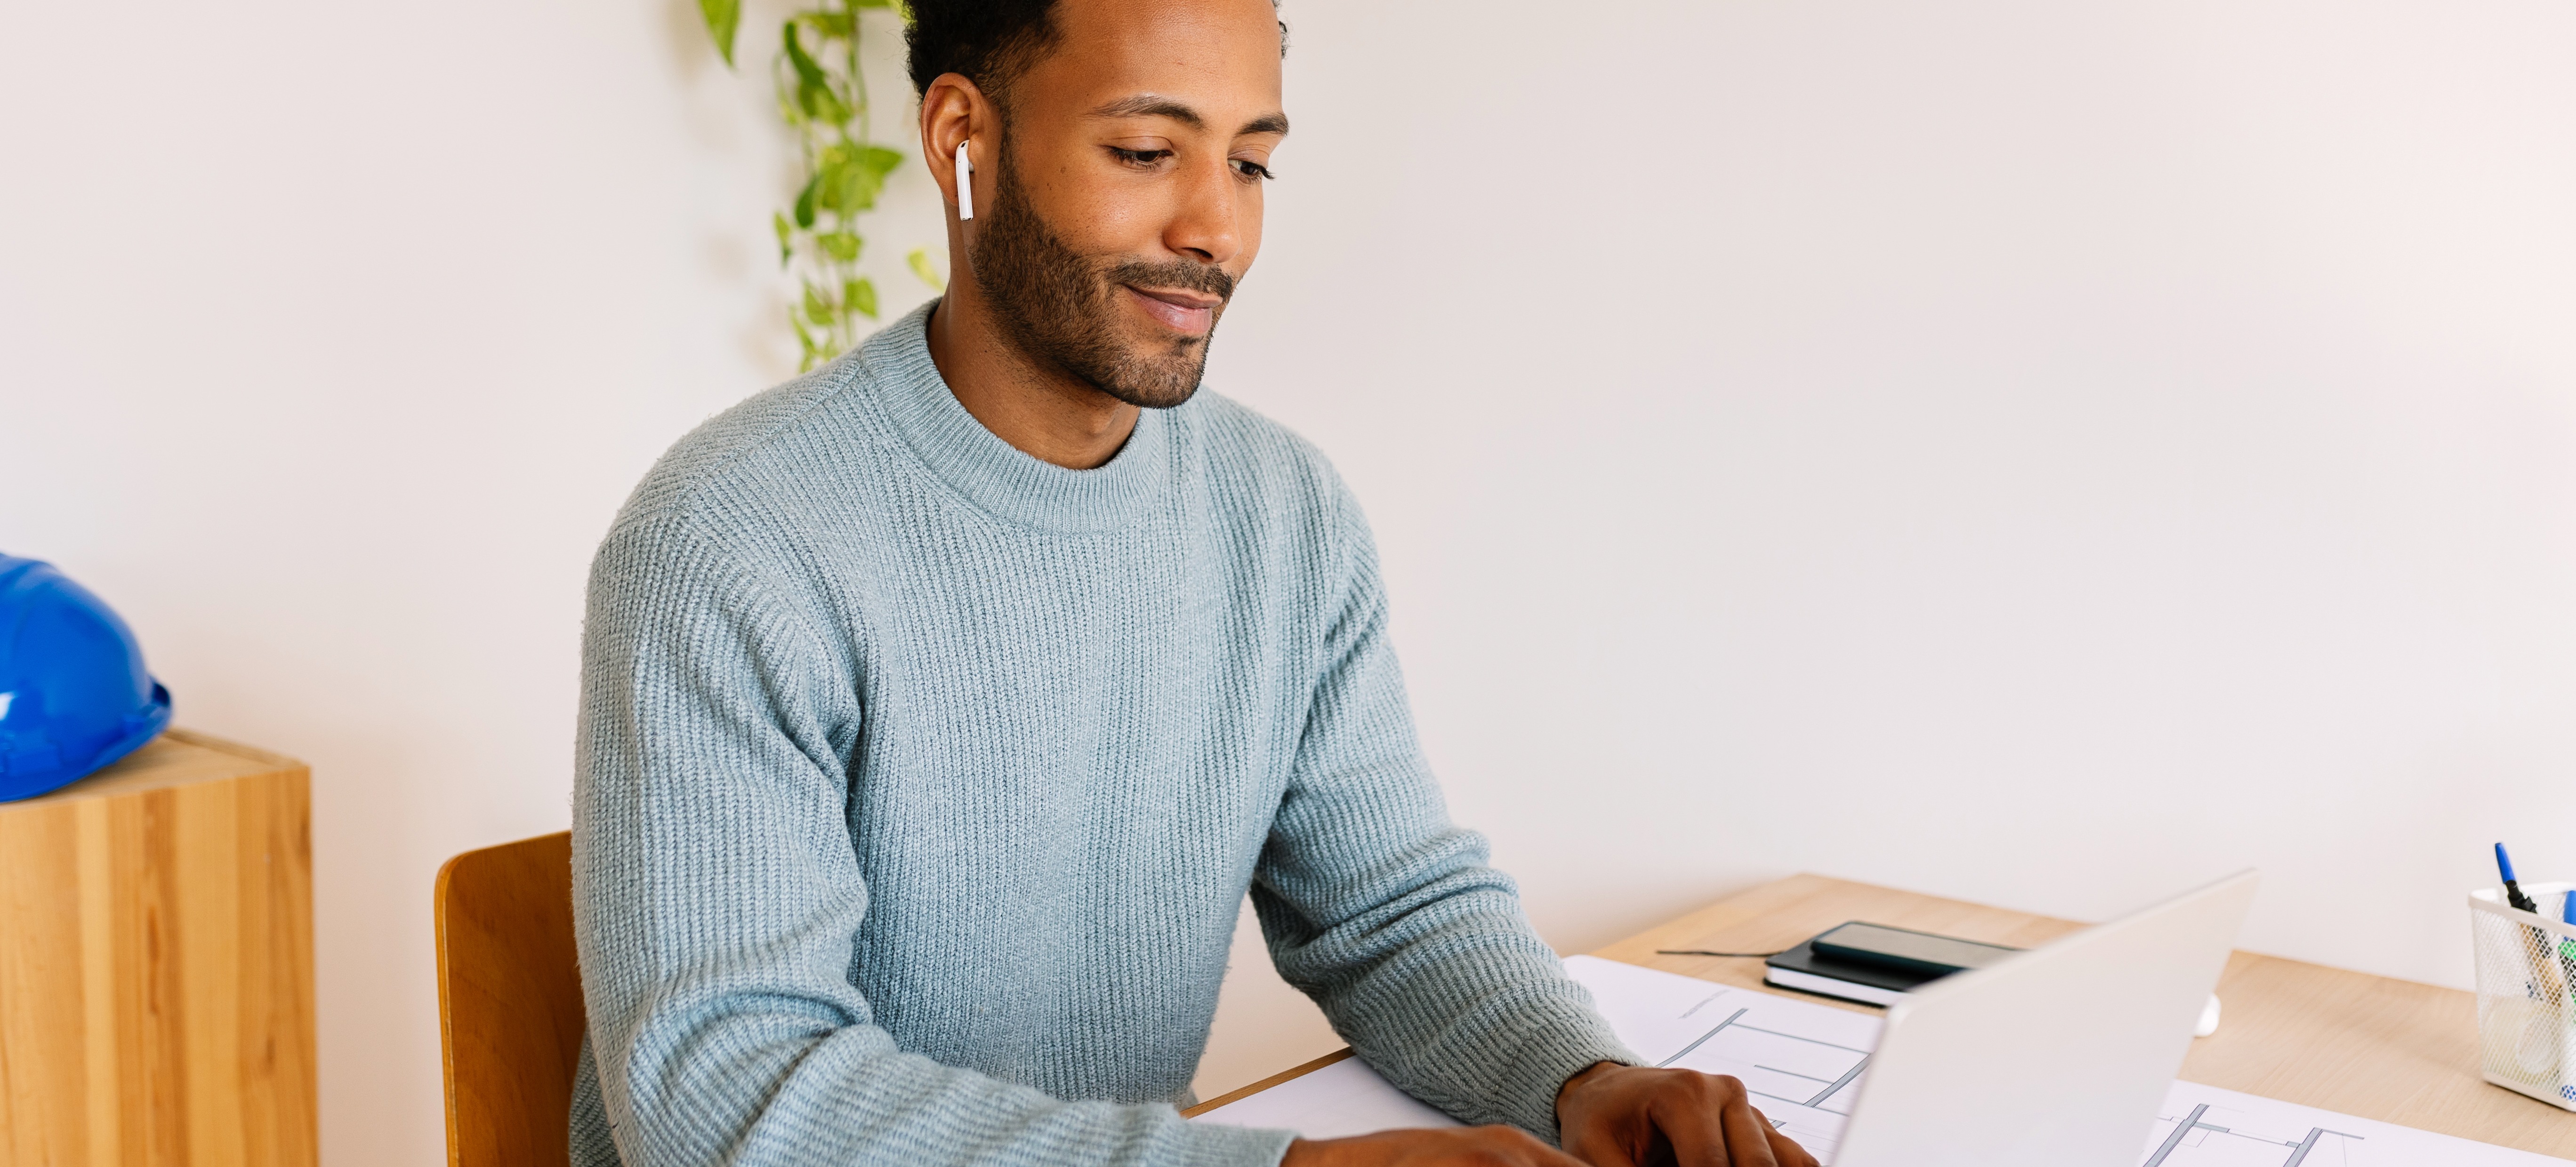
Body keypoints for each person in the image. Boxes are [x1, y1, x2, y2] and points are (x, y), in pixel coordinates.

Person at [568, 1, 1819, 1165]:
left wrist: (1583, 1077)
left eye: (1251, 161)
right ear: (964, 139)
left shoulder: (1286, 516)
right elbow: (721, 1090)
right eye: (1146, 152)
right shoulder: (732, 540)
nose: (1215, 227)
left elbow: (1388, 911)